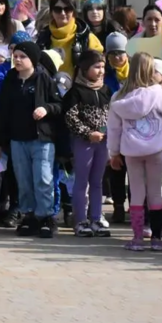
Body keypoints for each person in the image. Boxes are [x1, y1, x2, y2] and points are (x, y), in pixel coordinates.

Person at [0, 41, 62, 238]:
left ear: (32, 59)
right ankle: (29, 215)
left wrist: (46, 109)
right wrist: (0, 141)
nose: (17, 60)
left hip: (41, 139)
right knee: (23, 180)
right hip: (17, 139)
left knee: (43, 178)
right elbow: (3, 111)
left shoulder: (43, 78)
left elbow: (58, 104)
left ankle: (46, 217)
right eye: (15, 56)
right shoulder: (10, 79)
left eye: (22, 57)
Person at [107, 52, 162, 251]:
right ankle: (158, 239)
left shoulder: (118, 97)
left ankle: (137, 239)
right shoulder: (160, 94)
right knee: (155, 193)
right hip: (156, 149)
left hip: (131, 150)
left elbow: (113, 128)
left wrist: (113, 153)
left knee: (136, 192)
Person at [63, 49, 112, 238]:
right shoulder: (76, 92)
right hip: (84, 142)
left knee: (98, 181)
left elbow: (113, 113)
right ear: (84, 68)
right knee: (81, 181)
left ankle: (96, 218)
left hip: (103, 142)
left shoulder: (106, 90)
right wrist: (88, 133)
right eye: (96, 67)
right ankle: (81, 220)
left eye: (102, 67)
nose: (100, 71)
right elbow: (70, 118)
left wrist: (109, 133)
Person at [36, 0, 103, 74]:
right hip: (49, 85)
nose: (63, 13)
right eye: (58, 9)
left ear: (73, 12)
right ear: (51, 12)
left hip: (78, 85)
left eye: (67, 9)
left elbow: (99, 67)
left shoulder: (86, 37)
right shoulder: (43, 36)